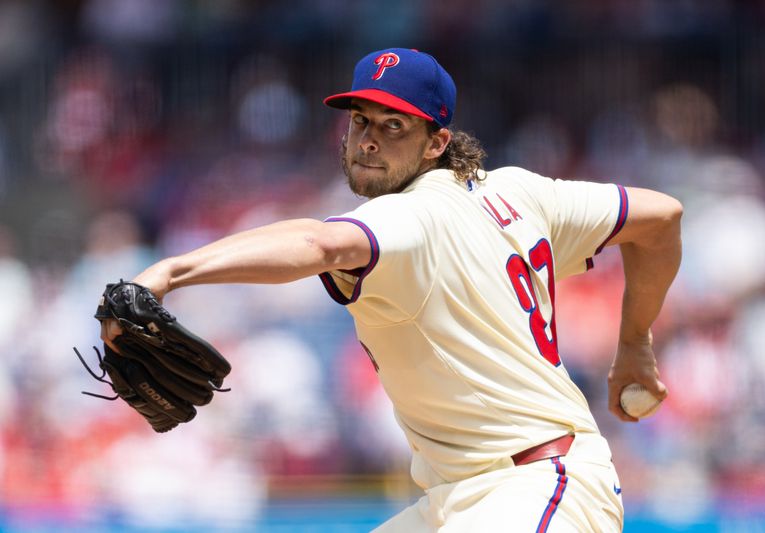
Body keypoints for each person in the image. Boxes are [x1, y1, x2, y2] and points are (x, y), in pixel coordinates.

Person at [101, 48, 682, 532]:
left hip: (533, 487)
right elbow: (661, 218)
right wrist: (635, 343)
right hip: (463, 497)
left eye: (394, 125)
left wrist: (167, 273)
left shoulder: (411, 217)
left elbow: (317, 243)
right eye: (361, 121)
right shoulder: (520, 192)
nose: (370, 140)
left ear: (437, 142)